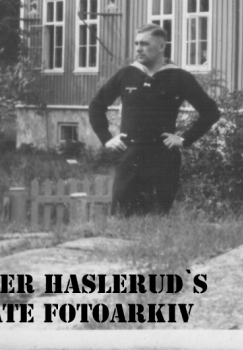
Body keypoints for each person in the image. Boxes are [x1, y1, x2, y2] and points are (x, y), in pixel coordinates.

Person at [88, 24, 221, 216]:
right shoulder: (126, 74)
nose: (138, 49)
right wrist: (106, 138)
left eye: (144, 44)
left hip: (163, 158)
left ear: (161, 46)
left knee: (156, 217)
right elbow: (96, 106)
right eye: (136, 44)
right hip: (130, 156)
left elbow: (210, 112)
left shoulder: (179, 77)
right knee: (121, 217)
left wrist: (185, 139)